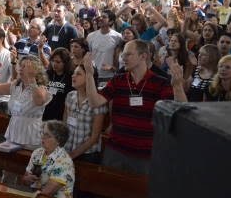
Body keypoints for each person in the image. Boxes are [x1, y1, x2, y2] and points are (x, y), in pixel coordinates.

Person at [83, 40, 187, 175]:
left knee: (141, 195)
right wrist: (90, 75)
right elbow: (94, 102)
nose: (123, 58)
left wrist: (178, 86)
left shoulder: (160, 82)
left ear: (143, 56)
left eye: (128, 55)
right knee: (109, 191)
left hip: (146, 154)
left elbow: (180, 111)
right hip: (116, 150)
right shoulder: (118, 80)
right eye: (123, 55)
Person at [0, 120, 74, 198]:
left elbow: (47, 192)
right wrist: (27, 179)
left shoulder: (64, 161)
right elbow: (25, 179)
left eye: (47, 135)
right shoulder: (37, 153)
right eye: (42, 134)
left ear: (58, 140)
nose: (42, 138)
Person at [0, 55, 50, 150]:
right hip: (14, 132)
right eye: (20, 65)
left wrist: (31, 79)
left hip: (30, 134)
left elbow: (39, 101)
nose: (21, 68)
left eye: (25, 66)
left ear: (35, 70)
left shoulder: (41, 88)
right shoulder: (15, 86)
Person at [63, 64, 107, 163]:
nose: (73, 76)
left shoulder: (97, 101)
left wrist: (73, 154)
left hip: (88, 155)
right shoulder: (70, 96)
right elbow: (64, 124)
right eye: (74, 73)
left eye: (78, 74)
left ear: (89, 78)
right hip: (68, 149)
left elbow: (94, 137)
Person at [43, 48, 74, 121]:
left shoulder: (71, 76)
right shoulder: (48, 73)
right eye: (53, 61)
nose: (54, 64)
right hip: (45, 112)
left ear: (65, 63)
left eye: (58, 62)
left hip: (61, 114)